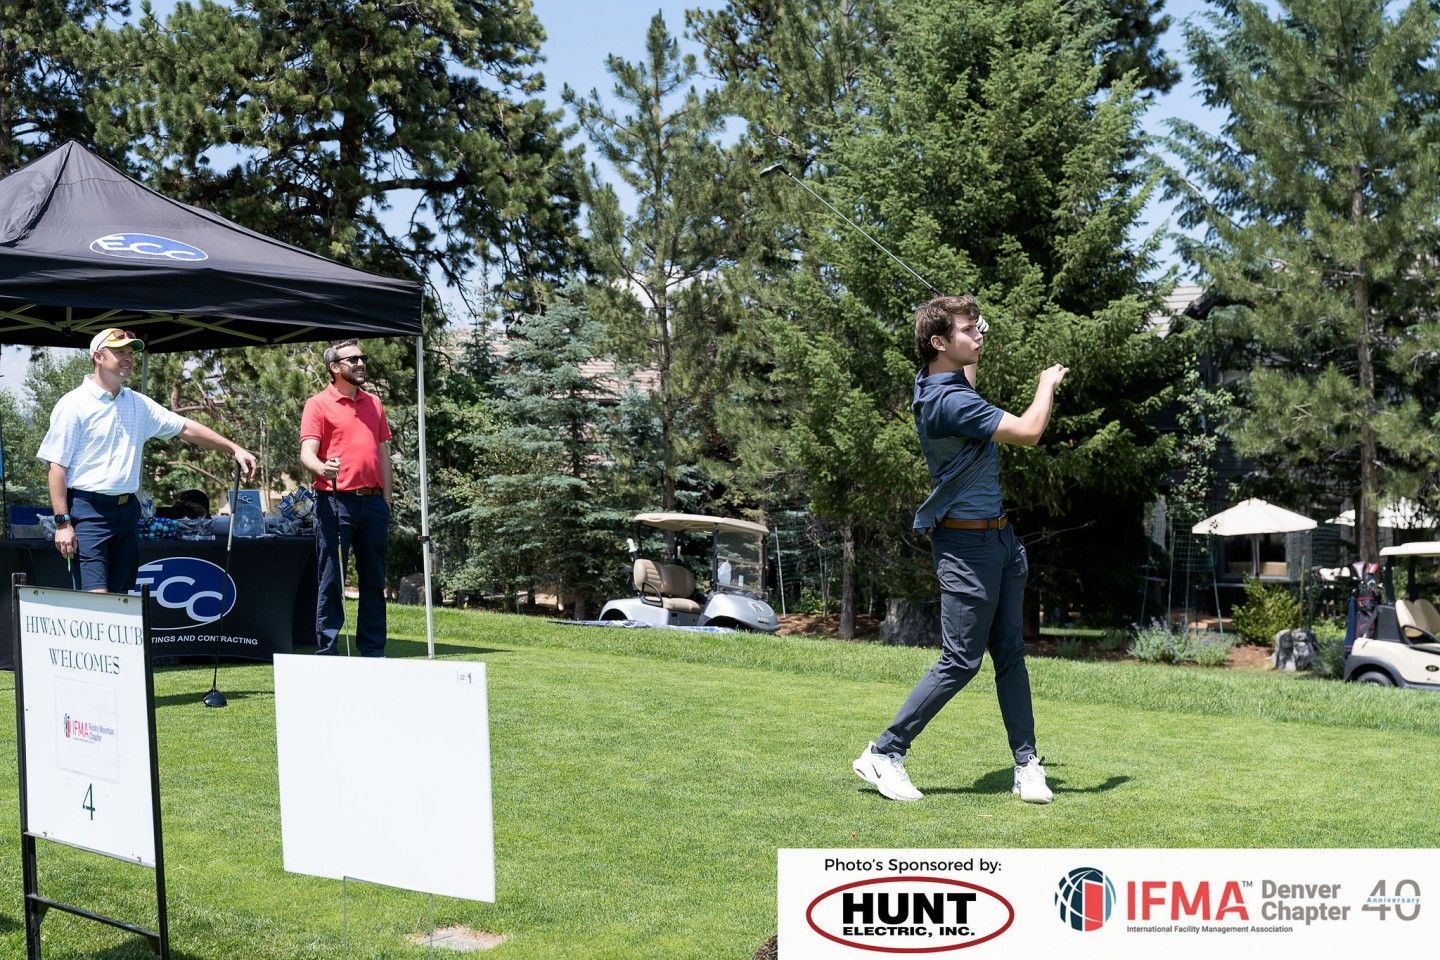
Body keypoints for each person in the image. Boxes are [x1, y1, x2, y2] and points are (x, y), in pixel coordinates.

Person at [852, 295, 1068, 804]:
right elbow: (1031, 431)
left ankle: (1026, 763)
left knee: (1010, 655)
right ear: (938, 342)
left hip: (999, 541)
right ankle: (884, 752)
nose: (980, 337)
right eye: (970, 331)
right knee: (961, 661)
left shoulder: (948, 381)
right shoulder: (946, 403)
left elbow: (969, 369)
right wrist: (1045, 384)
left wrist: (968, 324)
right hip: (965, 547)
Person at [38, 328, 257, 592]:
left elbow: (185, 427)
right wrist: (63, 524)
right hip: (88, 512)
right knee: (95, 601)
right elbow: (56, 468)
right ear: (98, 356)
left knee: (121, 599)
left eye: (130, 353)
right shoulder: (73, 404)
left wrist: (232, 448)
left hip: (127, 513)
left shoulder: (138, 403)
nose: (128, 358)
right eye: (120, 352)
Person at [300, 339, 393, 656]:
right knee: (331, 581)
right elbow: (306, 454)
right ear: (334, 368)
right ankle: (328, 652)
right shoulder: (318, 404)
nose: (360, 363)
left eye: (362, 358)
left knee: (373, 582)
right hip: (334, 502)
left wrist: (387, 498)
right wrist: (322, 468)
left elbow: (383, 453)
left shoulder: (374, 403)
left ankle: (373, 653)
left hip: (373, 503)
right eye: (352, 359)